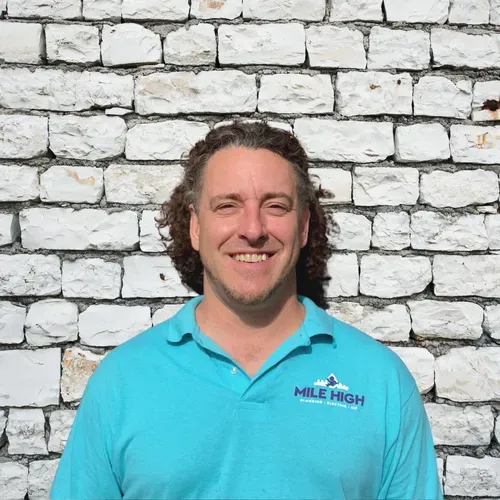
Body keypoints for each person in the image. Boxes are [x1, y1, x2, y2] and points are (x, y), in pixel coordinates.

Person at [51, 122, 443, 499]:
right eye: (227, 206)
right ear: (196, 226)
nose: (253, 229)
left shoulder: (380, 382)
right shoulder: (122, 381)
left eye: (276, 206)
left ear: (303, 226)